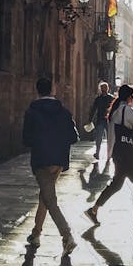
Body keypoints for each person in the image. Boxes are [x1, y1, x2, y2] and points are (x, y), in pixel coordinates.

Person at [84, 84, 133, 231]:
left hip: (119, 153)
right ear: (130, 97)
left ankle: (93, 210)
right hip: (128, 155)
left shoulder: (116, 110)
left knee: (116, 185)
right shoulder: (126, 110)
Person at [22, 77, 79, 255]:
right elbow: (74, 137)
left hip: (41, 160)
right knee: (45, 196)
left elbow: (26, 140)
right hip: (58, 161)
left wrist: (41, 141)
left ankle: (67, 236)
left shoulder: (32, 111)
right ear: (52, 90)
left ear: (37, 90)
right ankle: (36, 234)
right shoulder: (64, 112)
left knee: (50, 199)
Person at [87, 81, 113, 161]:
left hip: (102, 120)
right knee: (108, 138)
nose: (103, 89)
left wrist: (90, 120)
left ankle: (98, 153)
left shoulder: (98, 99)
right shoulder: (111, 98)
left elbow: (94, 110)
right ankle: (108, 154)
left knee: (99, 138)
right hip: (107, 120)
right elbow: (94, 109)